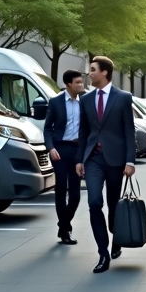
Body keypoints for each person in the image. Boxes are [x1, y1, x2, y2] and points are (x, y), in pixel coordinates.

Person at [76, 56, 137, 274]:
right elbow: (83, 133)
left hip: (115, 159)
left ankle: (116, 237)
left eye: (92, 70)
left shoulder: (123, 98)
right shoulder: (85, 100)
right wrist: (79, 160)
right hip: (93, 158)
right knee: (94, 202)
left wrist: (130, 160)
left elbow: (129, 131)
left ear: (104, 73)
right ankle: (103, 253)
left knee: (113, 204)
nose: (89, 73)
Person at [43, 69, 86, 245]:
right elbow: (47, 128)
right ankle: (66, 232)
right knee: (61, 188)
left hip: (77, 150)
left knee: (75, 195)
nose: (81, 85)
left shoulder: (84, 102)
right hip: (60, 150)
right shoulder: (56, 102)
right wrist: (50, 147)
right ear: (69, 84)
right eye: (78, 83)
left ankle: (63, 226)